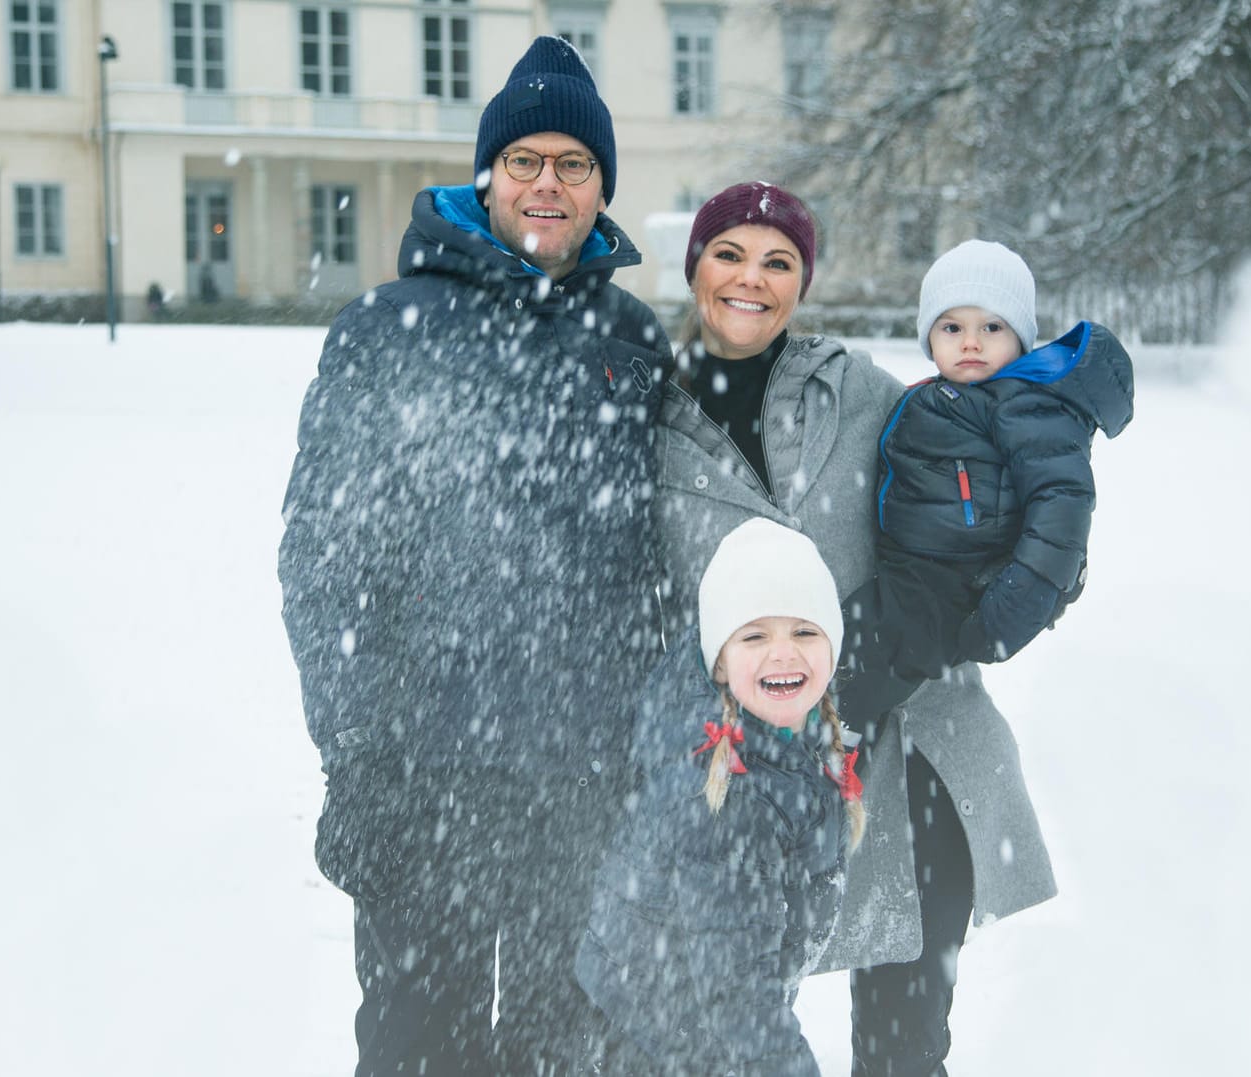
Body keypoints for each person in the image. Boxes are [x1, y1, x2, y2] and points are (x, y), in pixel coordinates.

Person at [276, 35, 671, 1076]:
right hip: (425, 782)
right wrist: (360, 760)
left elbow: (665, 568)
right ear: (489, 174)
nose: (549, 183)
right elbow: (326, 563)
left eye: (574, 164)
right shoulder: (387, 331)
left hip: (588, 793)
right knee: (423, 1054)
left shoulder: (633, 342)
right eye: (527, 160)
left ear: (601, 187)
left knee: (571, 1054)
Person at [648, 182, 1056, 1077]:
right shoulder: (648, 427)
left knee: (903, 1052)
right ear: (695, 268)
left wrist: (1033, 566)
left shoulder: (864, 393)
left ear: (802, 282)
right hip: (742, 779)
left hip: (913, 753)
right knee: (731, 1041)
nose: (751, 278)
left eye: (779, 261)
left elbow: (979, 529)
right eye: (729, 254)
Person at [575, 517, 865, 1077]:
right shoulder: (728, 795)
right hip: (661, 1047)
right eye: (755, 636)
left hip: (699, 1035)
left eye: (804, 631)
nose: (783, 653)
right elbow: (739, 995)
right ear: (719, 660)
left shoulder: (794, 742)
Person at [841, 239, 1135, 717]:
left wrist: (1026, 595)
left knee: (879, 651)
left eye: (992, 327)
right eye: (952, 326)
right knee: (839, 632)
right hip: (909, 567)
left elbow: (1061, 503)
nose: (971, 341)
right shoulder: (945, 395)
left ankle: (835, 735)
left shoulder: (1025, 405)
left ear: (1020, 339)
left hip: (956, 580)